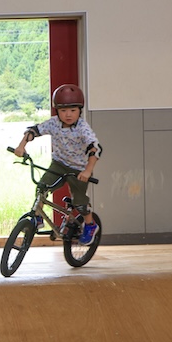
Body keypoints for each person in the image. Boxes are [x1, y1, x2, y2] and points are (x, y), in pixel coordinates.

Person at [12, 83, 103, 245]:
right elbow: (34, 130)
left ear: (79, 111)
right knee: (41, 187)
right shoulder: (54, 123)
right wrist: (21, 146)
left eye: (73, 111)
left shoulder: (82, 128)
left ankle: (90, 224)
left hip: (79, 169)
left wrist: (88, 171)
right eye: (63, 110)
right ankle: (37, 218)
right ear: (57, 111)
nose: (68, 115)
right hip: (59, 164)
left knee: (79, 202)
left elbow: (95, 149)